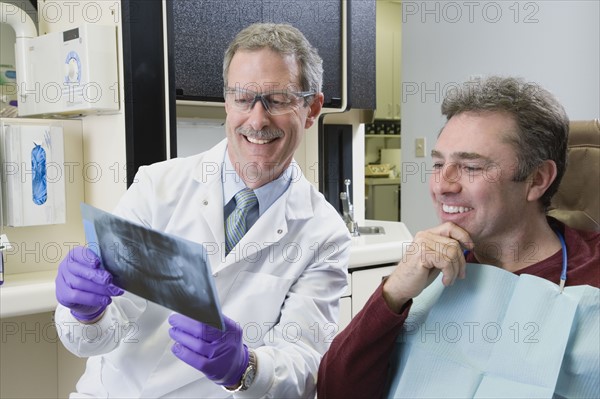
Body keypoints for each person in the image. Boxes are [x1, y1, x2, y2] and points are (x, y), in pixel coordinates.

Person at [54, 23, 351, 398]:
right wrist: (86, 312)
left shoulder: (323, 233)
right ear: (227, 103)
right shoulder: (156, 187)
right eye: (243, 98)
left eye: (277, 100)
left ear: (312, 109)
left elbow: (304, 362)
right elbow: (96, 337)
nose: (257, 120)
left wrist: (245, 368)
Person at [317, 76, 600, 398]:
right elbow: (334, 390)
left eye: (471, 167)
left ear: (536, 179)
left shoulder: (593, 270)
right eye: (438, 164)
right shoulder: (423, 275)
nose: (443, 185)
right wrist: (392, 294)